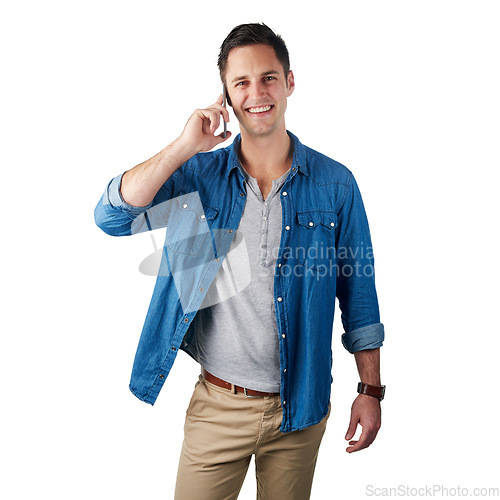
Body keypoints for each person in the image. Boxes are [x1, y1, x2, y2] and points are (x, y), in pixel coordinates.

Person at [94, 22, 385, 500]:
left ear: (290, 82)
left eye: (269, 78)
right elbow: (112, 216)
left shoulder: (336, 184)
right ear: (226, 97)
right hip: (218, 405)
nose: (258, 93)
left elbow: (360, 297)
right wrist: (186, 145)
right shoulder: (198, 177)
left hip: (302, 407)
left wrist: (371, 391)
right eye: (241, 83)